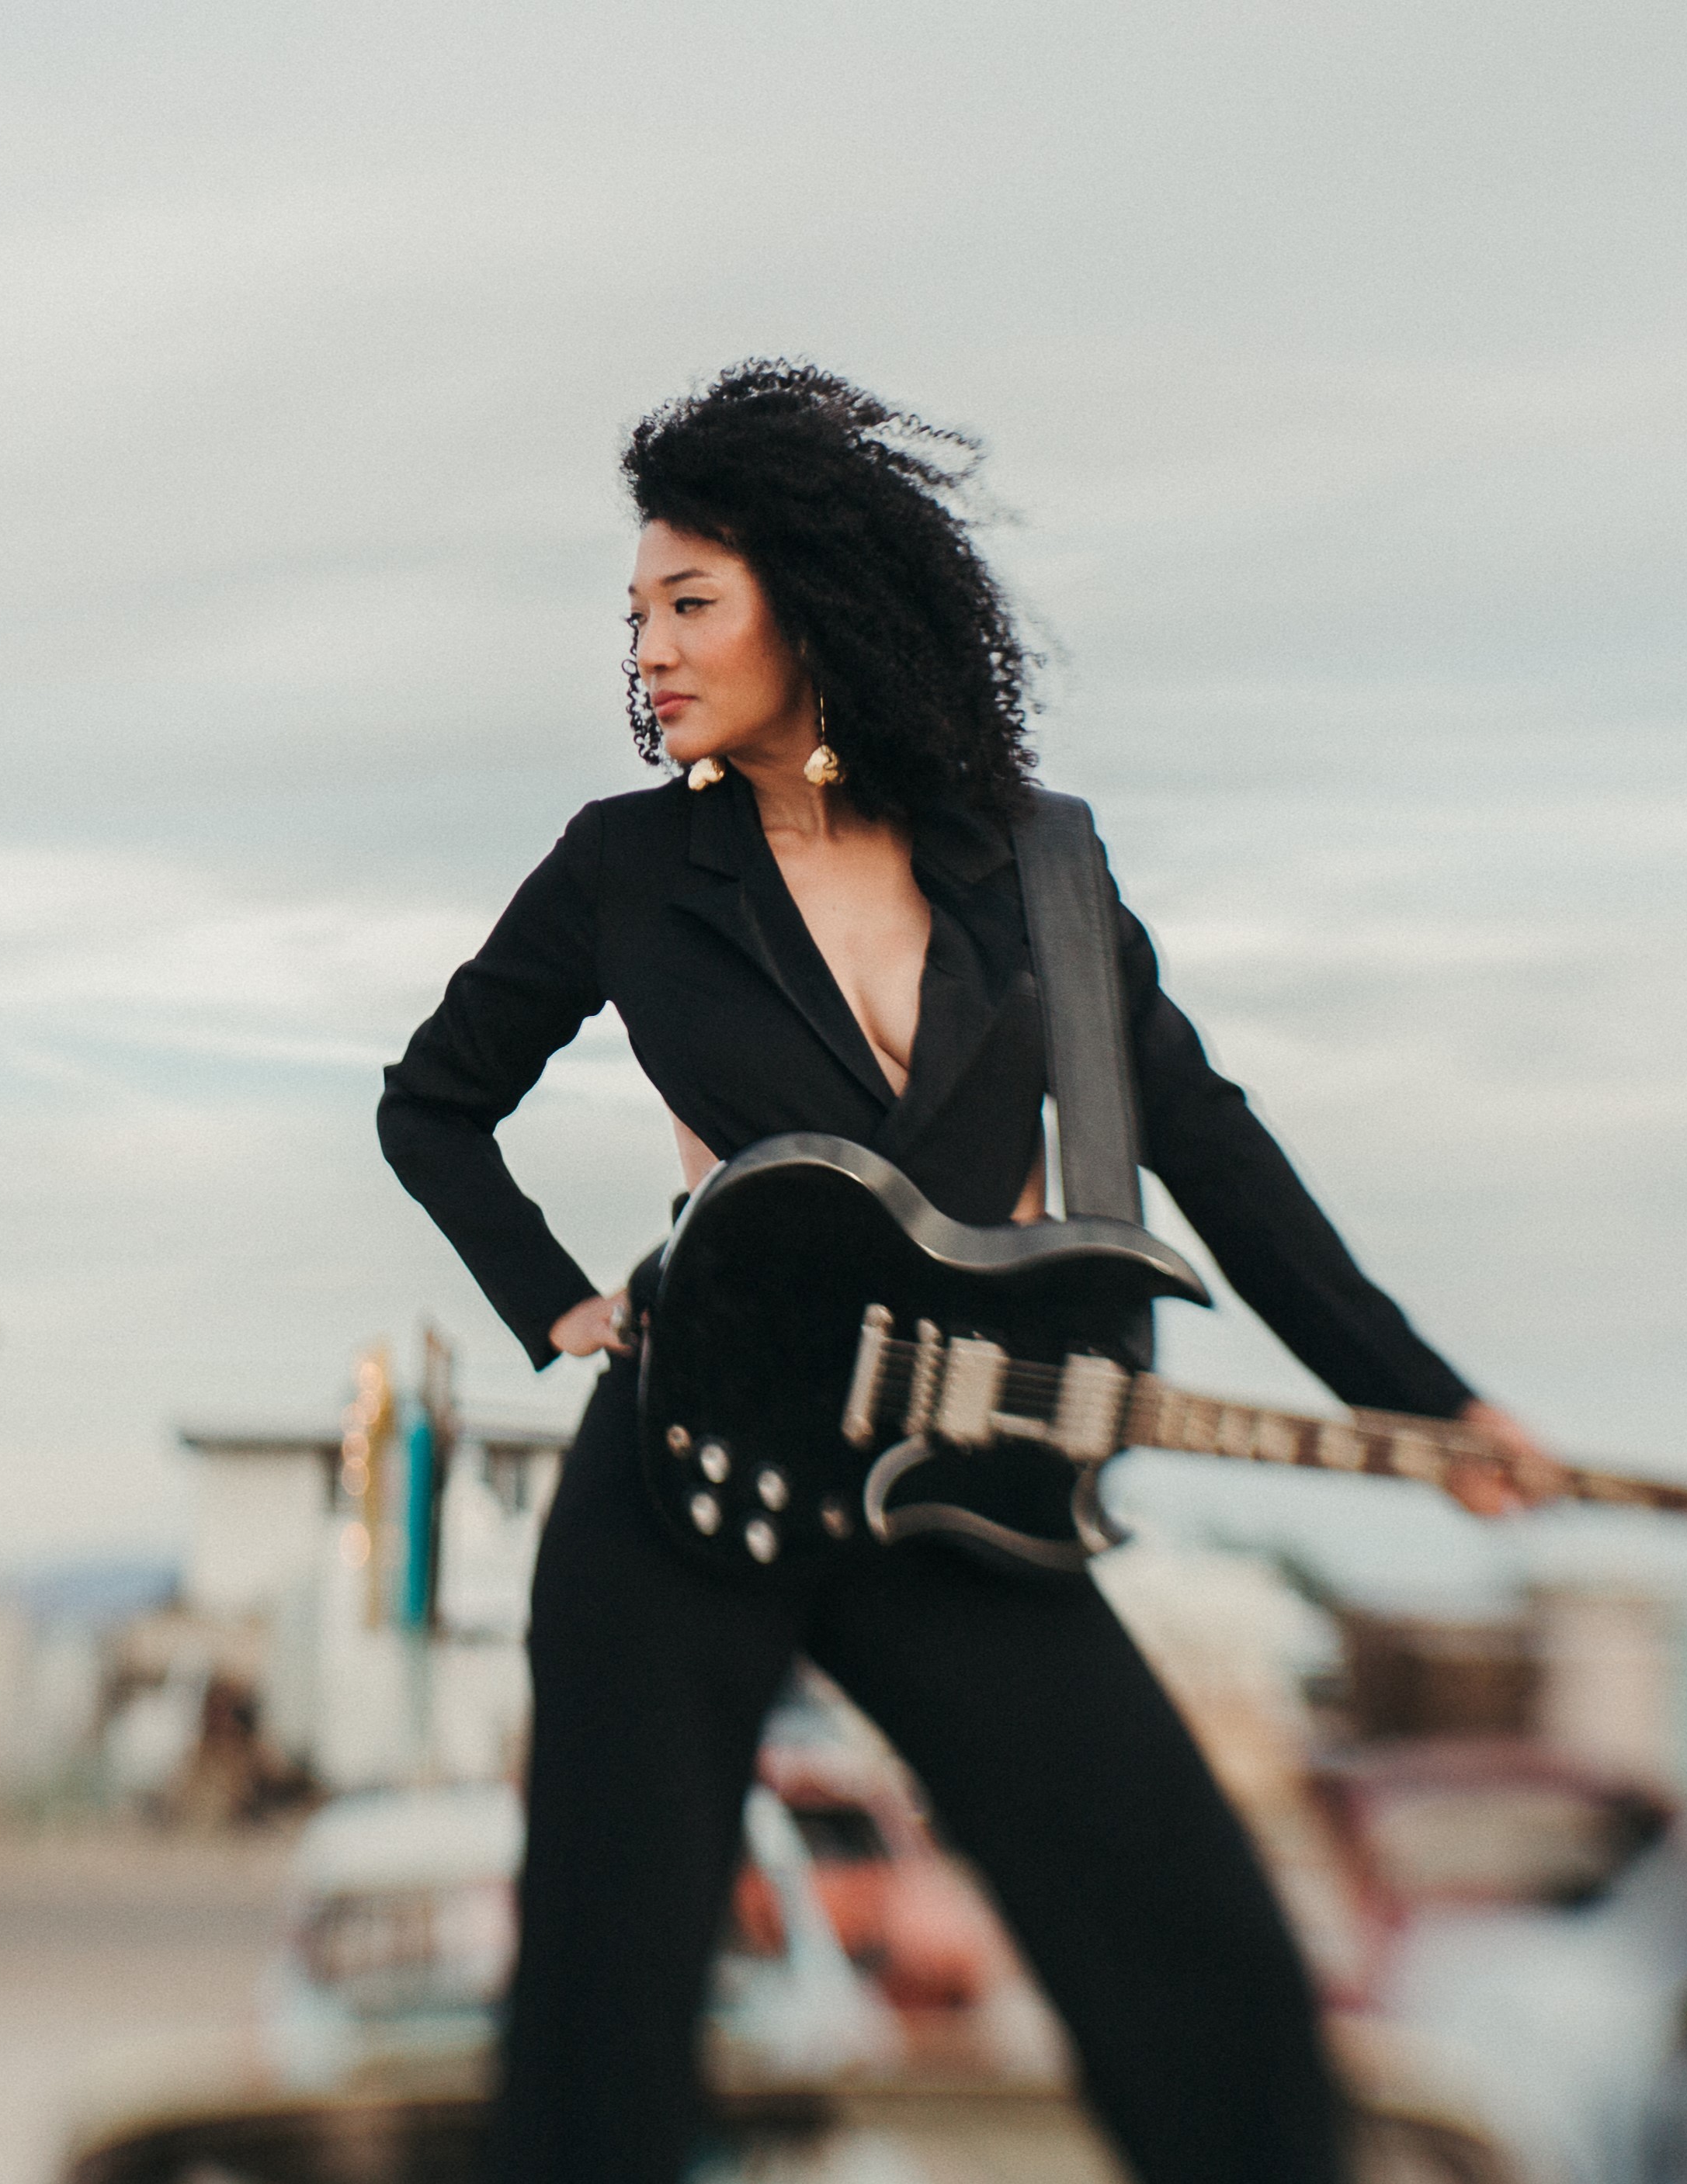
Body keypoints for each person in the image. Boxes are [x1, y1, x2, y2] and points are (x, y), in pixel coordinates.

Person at [378, 361, 1556, 2184]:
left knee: (1211, 1974)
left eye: (691, 603)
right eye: (637, 617)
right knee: (604, 2036)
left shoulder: (1043, 874)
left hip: (956, 1478)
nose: (650, 653)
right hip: (683, 1474)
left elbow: (1215, 1151)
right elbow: (433, 1105)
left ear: (815, 604)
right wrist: (563, 1306)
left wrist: (1424, 1405)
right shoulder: (627, 867)